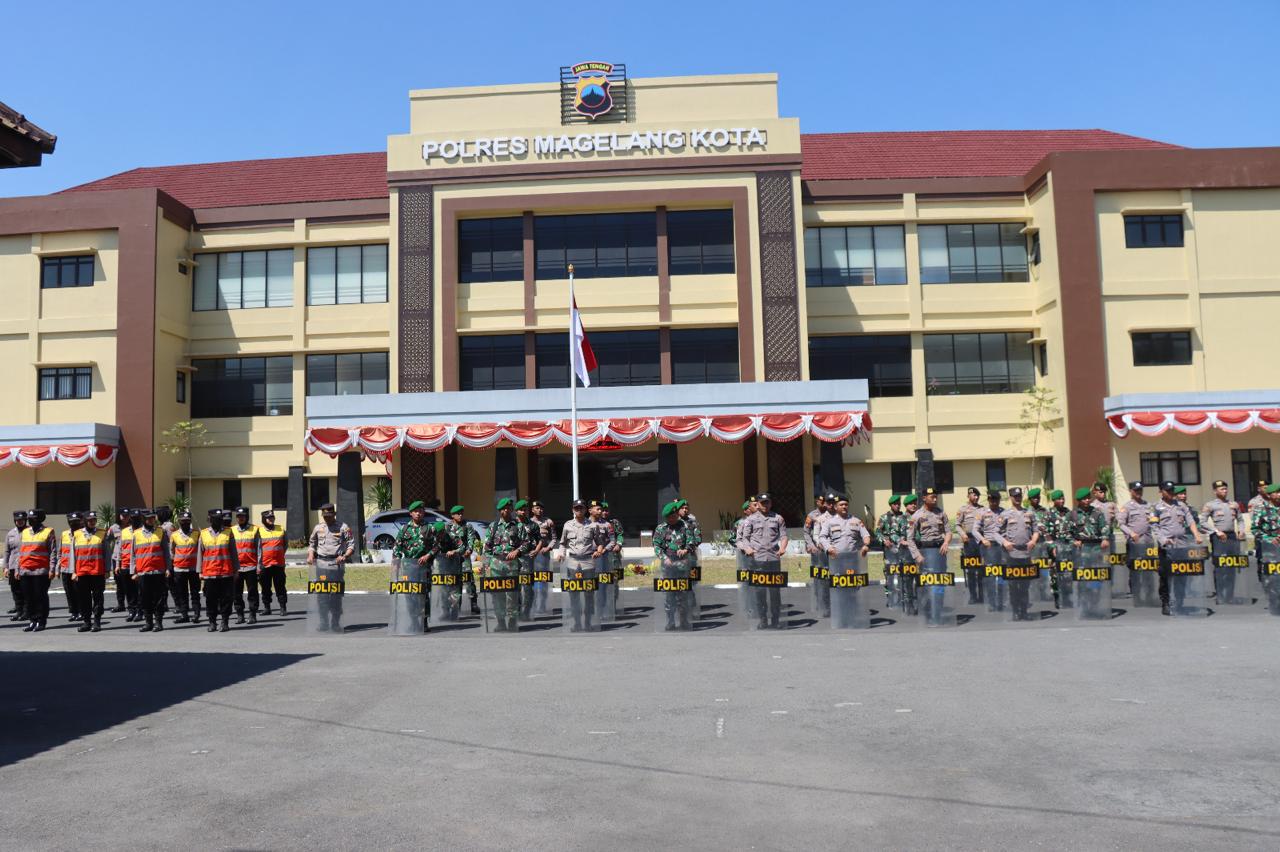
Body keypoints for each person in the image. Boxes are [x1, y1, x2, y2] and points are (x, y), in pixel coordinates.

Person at [738, 492, 789, 630]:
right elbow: (745, 538)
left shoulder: (778, 518)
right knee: (759, 592)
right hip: (757, 560)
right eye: (762, 503)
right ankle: (763, 620)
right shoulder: (750, 520)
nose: (765, 505)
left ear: (771, 503)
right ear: (758, 505)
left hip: (773, 559)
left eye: (767, 502)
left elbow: (784, 536)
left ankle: (776, 620)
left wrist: (783, 547)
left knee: (775, 593)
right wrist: (747, 549)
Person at [1153, 480, 1205, 615]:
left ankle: (1179, 602)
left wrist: (1197, 534)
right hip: (1166, 547)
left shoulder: (1181, 506)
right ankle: (1165, 602)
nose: (1171, 493)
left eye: (1172, 490)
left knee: (1181, 574)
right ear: (1161, 492)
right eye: (1168, 491)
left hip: (1181, 545)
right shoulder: (1156, 508)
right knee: (1165, 576)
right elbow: (1154, 527)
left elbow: (1191, 521)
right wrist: (1163, 540)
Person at [485, 497, 530, 632]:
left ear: (511, 509)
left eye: (509, 508)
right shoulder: (493, 527)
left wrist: (517, 551)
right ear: (500, 511)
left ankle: (512, 622)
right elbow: (487, 548)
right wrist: (486, 565)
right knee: (497, 596)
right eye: (504, 509)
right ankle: (501, 622)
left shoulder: (518, 526)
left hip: (512, 566)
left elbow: (527, 543)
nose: (506, 510)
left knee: (512, 596)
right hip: (496, 566)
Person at [307, 503, 354, 633]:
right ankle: (323, 622)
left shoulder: (343, 528)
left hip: (336, 565)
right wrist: (311, 555)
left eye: (329, 515)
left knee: (335, 596)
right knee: (322, 595)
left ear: (334, 514)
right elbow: (312, 544)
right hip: (321, 564)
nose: (327, 518)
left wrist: (345, 556)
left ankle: (335, 623)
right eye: (325, 516)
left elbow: (351, 545)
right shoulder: (318, 528)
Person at [907, 488, 952, 622]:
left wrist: (946, 542)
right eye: (932, 496)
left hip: (939, 553)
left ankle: (937, 611)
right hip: (925, 554)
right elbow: (910, 538)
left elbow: (949, 531)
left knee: (940, 583)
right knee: (927, 585)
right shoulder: (916, 515)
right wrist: (917, 556)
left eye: (936, 496)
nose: (935, 499)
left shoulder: (941, 513)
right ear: (924, 498)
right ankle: (927, 612)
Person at [996, 487, 1040, 621]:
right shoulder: (1005, 514)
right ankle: (1015, 611)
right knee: (1014, 585)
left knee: (1026, 585)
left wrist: (1033, 540)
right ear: (1011, 497)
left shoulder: (1029, 513)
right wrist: (1004, 542)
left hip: (1026, 554)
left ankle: (1024, 611)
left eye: (1019, 496)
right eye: (1015, 496)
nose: (1018, 498)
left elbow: (1036, 530)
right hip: (1012, 554)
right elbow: (995, 533)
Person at [1066, 487, 1110, 618]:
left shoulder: (1097, 512)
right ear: (1079, 500)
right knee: (1083, 581)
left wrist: (1105, 538)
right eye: (1084, 498)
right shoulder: (1072, 514)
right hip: (1081, 553)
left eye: (1088, 498)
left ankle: (1094, 606)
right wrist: (1074, 541)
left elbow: (1105, 527)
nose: (1087, 500)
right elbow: (1065, 533)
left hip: (1096, 551)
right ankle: (1084, 607)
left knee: (1096, 580)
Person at [653, 500, 697, 631]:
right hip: (667, 568)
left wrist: (686, 550)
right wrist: (664, 558)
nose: (671, 520)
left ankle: (684, 621)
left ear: (676, 515)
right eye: (668, 518)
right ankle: (670, 621)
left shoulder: (684, 526)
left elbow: (691, 541)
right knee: (669, 596)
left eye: (673, 517)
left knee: (683, 596)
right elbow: (656, 546)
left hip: (683, 566)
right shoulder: (661, 528)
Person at [393, 500, 436, 629]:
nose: (418, 513)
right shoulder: (404, 529)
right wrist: (396, 562)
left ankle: (424, 620)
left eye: (420, 511)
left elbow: (436, 546)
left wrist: (427, 555)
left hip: (423, 567)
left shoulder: (429, 528)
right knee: (410, 594)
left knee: (423, 594)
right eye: (415, 511)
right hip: (408, 567)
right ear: (411, 513)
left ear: (423, 513)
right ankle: (413, 620)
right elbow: (397, 547)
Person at [1199, 479, 1243, 603]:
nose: (1225, 491)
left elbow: (1240, 520)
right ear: (1215, 491)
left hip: (1232, 537)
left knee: (1231, 566)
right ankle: (1220, 595)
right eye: (1221, 489)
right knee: (1220, 566)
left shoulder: (1234, 504)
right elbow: (1202, 522)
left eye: (1225, 488)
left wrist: (1241, 530)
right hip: (1219, 538)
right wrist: (1216, 531)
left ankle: (1229, 595)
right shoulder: (1210, 505)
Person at [131, 508, 171, 632]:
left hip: (158, 571)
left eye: (153, 518)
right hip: (143, 572)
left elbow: (166, 552)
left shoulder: (161, 532)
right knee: (145, 598)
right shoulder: (136, 534)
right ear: (144, 519)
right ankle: (148, 623)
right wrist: (134, 572)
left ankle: (158, 622)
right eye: (148, 518)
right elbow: (133, 554)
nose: (151, 520)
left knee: (158, 598)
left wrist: (168, 568)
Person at [1118, 481, 1157, 603]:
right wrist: (1131, 533)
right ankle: (1137, 595)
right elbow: (1121, 524)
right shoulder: (1127, 507)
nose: (1139, 492)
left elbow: (1154, 520)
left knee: (1149, 569)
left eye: (1140, 490)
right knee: (1136, 569)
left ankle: (1150, 595)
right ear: (1131, 492)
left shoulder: (1148, 505)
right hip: (1134, 543)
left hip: (1148, 542)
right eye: (1136, 490)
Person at [18, 508, 57, 631]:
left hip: (41, 571)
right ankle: (32, 620)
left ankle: (41, 621)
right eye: (29, 519)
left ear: (40, 519)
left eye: (32, 519)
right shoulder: (25, 532)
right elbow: (21, 552)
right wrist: (19, 568)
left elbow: (53, 552)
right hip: (25, 570)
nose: (30, 521)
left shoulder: (48, 531)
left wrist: (52, 569)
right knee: (28, 598)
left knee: (40, 596)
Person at [71, 511, 109, 632]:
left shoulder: (102, 533)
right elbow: (73, 554)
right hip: (82, 572)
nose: (92, 522)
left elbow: (107, 553)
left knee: (98, 597)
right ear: (84, 521)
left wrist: (108, 570)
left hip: (97, 571)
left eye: (94, 520)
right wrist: (73, 571)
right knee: (84, 598)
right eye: (90, 520)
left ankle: (97, 622)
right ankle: (86, 622)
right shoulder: (76, 534)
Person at [199, 509, 236, 633]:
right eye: (214, 519)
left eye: (219, 519)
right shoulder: (203, 534)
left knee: (226, 598)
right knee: (210, 599)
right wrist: (200, 571)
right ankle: (212, 622)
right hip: (209, 573)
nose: (217, 521)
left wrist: (236, 570)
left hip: (226, 572)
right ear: (210, 520)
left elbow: (233, 553)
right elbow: (200, 553)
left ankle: (225, 621)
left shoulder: (228, 532)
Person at [435, 505, 471, 621]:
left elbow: (463, 546)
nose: (460, 515)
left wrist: (454, 551)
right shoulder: (439, 531)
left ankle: (455, 611)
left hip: (456, 562)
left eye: (462, 513)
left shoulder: (453, 535)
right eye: (458, 513)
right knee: (444, 588)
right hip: (442, 565)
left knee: (456, 588)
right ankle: (445, 611)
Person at [971, 490, 1005, 612]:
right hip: (988, 546)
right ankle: (991, 602)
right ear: (989, 500)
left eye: (996, 500)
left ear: (999, 500)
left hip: (1001, 546)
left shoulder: (1004, 512)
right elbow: (974, 530)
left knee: (1002, 574)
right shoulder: (982, 512)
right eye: (991, 500)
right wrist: (982, 540)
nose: (994, 502)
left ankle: (1001, 601)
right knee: (990, 575)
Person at [1039, 490, 1073, 609]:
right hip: (1054, 548)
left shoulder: (1068, 512)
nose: (1062, 501)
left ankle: (1068, 596)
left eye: (1063, 498)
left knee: (1068, 573)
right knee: (1055, 573)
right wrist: (1052, 546)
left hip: (1068, 547)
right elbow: (1044, 532)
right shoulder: (1049, 514)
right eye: (1059, 499)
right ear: (1054, 500)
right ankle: (1057, 597)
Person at [229, 507, 261, 624]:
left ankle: (252, 614)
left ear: (247, 517)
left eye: (242, 516)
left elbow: (259, 549)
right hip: (236, 569)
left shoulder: (255, 529)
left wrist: (259, 566)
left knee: (252, 592)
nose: (240, 518)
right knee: (236, 593)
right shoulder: (231, 530)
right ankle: (240, 615)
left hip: (251, 567)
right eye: (238, 516)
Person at [169, 510, 201, 623]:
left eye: (187, 521)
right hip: (179, 569)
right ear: (179, 522)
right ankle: (184, 615)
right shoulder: (174, 535)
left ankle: (196, 614)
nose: (185, 523)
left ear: (190, 521)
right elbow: (171, 552)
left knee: (195, 593)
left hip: (194, 569)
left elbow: (201, 551)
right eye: (183, 521)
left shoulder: (197, 533)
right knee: (182, 593)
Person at [955, 487, 984, 603]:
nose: (976, 497)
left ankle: (982, 595)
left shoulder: (983, 509)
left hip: (981, 541)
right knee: (971, 570)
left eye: (977, 496)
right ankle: (973, 596)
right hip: (969, 541)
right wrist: (962, 534)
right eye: (973, 495)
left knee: (982, 569)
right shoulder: (963, 509)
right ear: (968, 496)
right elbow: (957, 524)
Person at [875, 495, 905, 608]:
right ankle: (891, 599)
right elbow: (877, 532)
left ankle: (903, 598)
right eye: (895, 504)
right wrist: (884, 540)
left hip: (903, 551)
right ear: (891, 505)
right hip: (890, 551)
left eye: (899, 503)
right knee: (890, 575)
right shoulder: (884, 518)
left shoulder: (904, 517)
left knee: (903, 574)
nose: (897, 505)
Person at [804, 494, 832, 618]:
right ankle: (818, 601)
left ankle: (829, 603)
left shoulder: (832, 512)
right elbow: (806, 531)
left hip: (829, 549)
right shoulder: (812, 515)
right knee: (818, 577)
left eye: (825, 501)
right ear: (817, 502)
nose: (824, 503)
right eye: (822, 501)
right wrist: (811, 545)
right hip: (816, 550)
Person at [257, 510, 288, 616]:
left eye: (272, 518)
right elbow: (257, 548)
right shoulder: (259, 531)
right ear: (263, 520)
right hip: (265, 565)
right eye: (269, 518)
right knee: (265, 588)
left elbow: (285, 545)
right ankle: (267, 608)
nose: (271, 519)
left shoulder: (281, 529)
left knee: (280, 587)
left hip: (278, 564)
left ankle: (283, 608)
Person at [530, 500, 556, 615]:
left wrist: (548, 548)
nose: (539, 510)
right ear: (532, 510)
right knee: (532, 581)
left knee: (543, 581)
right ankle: (533, 604)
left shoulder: (548, 522)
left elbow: (554, 538)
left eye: (541, 508)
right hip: (531, 555)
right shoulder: (528, 522)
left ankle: (542, 605)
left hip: (544, 555)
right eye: (537, 508)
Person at [515, 499, 539, 620]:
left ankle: (527, 611)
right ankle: (517, 610)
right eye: (521, 510)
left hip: (527, 559)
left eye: (525, 510)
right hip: (514, 560)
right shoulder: (512, 524)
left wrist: (536, 550)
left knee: (527, 586)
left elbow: (540, 540)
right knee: (516, 586)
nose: (523, 512)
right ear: (516, 511)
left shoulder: (533, 524)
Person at [59, 512, 85, 622]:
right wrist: (57, 568)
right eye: (71, 522)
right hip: (65, 568)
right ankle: (73, 612)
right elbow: (60, 552)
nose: (74, 523)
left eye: (76, 522)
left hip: (78, 568)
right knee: (69, 592)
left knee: (79, 592)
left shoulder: (83, 534)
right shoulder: (64, 534)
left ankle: (81, 612)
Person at [114, 509, 139, 621]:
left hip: (139, 566)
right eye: (132, 518)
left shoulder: (142, 531)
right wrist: (117, 564)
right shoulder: (124, 532)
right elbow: (120, 549)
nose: (134, 520)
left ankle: (140, 611)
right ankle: (131, 611)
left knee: (139, 590)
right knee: (128, 590)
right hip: (125, 565)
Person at [5, 510, 28, 623]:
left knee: (25, 590)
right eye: (18, 520)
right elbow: (7, 551)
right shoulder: (10, 533)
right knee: (16, 590)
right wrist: (6, 567)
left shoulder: (30, 532)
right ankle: (19, 612)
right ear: (15, 521)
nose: (20, 522)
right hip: (13, 565)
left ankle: (26, 612)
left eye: (22, 520)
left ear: (25, 520)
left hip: (26, 566)